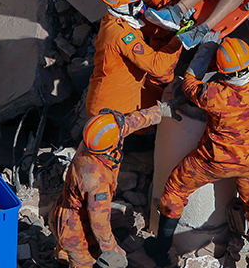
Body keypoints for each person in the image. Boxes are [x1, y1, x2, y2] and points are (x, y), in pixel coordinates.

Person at [148, 14, 249, 268]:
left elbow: (188, 83)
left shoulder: (215, 95)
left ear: (223, 72)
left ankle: (161, 248)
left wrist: (207, 46)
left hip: (213, 160)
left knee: (175, 190)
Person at [51, 102, 178, 268]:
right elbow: (99, 222)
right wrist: (113, 250)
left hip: (64, 211)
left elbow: (128, 123)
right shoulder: (96, 179)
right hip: (75, 229)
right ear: (111, 147)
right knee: (83, 260)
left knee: (64, 253)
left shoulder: (95, 142)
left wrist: (159, 112)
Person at [85, 0, 181, 118]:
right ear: (123, 6)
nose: (142, 6)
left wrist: (171, 23)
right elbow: (157, 67)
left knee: (160, 98)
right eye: (137, 3)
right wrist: (180, 41)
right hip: (109, 108)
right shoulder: (121, 34)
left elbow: (150, 28)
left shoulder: (119, 18)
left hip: (127, 89)